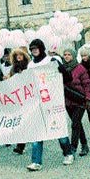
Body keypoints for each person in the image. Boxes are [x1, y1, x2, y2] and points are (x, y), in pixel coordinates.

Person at [23, 40, 75, 170]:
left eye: (36, 48)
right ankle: (36, 161)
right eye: (32, 49)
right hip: (37, 102)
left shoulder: (51, 61)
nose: (34, 51)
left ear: (41, 48)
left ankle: (68, 153)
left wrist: (60, 69)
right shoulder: (30, 65)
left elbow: (68, 78)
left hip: (53, 101)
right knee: (37, 133)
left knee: (58, 129)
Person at [59, 49, 90, 157]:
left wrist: (88, 98)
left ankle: (73, 147)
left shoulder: (80, 68)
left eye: (69, 54)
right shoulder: (61, 69)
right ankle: (85, 145)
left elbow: (87, 84)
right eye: (65, 54)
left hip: (79, 100)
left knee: (75, 124)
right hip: (68, 100)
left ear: (73, 56)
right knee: (77, 123)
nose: (66, 56)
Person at [8, 47, 31, 155]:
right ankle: (20, 146)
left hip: (28, 96)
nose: (19, 57)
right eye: (16, 55)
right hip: (18, 97)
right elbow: (10, 81)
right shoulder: (13, 69)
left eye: (20, 55)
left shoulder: (29, 66)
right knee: (21, 121)